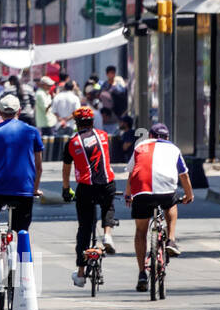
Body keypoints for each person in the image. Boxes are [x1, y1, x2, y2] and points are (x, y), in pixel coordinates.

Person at [125, 123, 195, 292]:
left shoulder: (140, 146)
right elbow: (183, 175)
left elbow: (131, 172)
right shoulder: (174, 149)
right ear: (167, 138)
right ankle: (171, 239)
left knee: (141, 232)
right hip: (165, 192)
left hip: (141, 191)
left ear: (150, 136)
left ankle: (142, 273)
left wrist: (128, 195)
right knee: (171, 203)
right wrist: (189, 195)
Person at [0, 94, 43, 253]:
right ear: (19, 111)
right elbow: (38, 167)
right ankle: (24, 261)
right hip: (24, 190)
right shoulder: (32, 132)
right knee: (23, 231)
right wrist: (34, 189)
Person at [62, 106, 119, 284]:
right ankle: (107, 234)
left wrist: (66, 189)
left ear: (77, 124)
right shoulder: (103, 136)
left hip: (86, 188)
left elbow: (66, 168)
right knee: (108, 205)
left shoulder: (72, 142)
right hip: (107, 183)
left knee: (84, 229)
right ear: (92, 122)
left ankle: (80, 273)